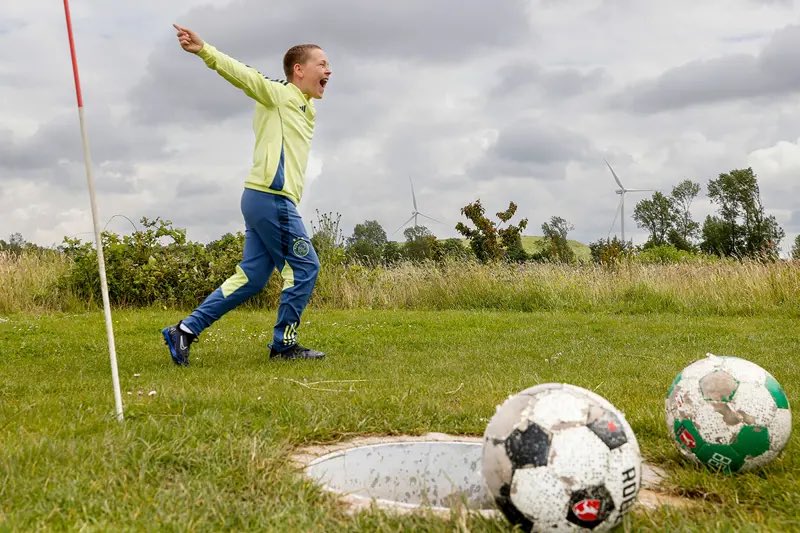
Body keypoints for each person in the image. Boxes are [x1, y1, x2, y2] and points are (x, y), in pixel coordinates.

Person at [162, 24, 331, 365]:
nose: (329, 70)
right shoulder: (279, 94)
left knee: (251, 279)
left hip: (263, 200)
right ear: (299, 70)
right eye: (322, 64)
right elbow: (244, 75)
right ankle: (283, 346)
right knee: (305, 266)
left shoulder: (305, 106)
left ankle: (184, 331)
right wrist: (204, 49)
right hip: (270, 198)